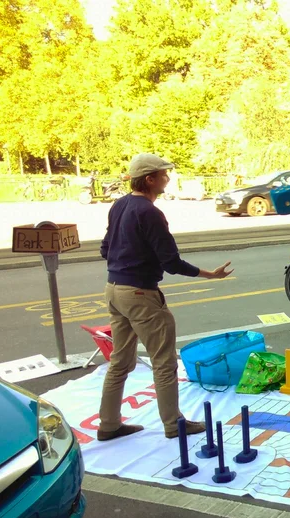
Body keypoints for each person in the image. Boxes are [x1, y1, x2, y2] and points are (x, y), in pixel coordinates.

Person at [97, 153, 234, 441]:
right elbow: (171, 262)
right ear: (149, 179)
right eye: (163, 174)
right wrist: (210, 274)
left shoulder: (120, 205)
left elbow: (105, 247)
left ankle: (108, 424)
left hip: (114, 289)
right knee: (164, 362)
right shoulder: (149, 212)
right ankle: (174, 424)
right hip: (140, 294)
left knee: (120, 362)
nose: (167, 179)